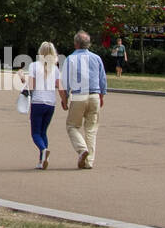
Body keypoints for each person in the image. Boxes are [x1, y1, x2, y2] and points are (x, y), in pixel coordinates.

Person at [59, 30, 107, 169]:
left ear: (76, 44)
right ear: (88, 44)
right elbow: (102, 79)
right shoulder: (96, 58)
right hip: (94, 95)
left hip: (79, 96)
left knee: (72, 126)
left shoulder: (70, 59)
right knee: (91, 129)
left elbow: (66, 82)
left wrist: (65, 99)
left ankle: (82, 149)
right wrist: (101, 95)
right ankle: (89, 161)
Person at [18, 42, 61, 169]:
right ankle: (42, 161)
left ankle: (43, 150)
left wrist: (22, 77)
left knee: (35, 133)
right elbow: (59, 85)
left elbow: (31, 86)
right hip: (51, 104)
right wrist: (64, 100)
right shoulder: (55, 68)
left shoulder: (34, 66)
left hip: (38, 102)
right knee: (43, 132)